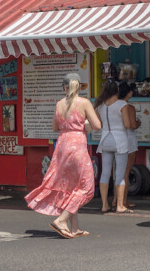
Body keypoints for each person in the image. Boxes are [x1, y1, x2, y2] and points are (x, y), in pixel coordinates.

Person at [25, 73, 101, 238]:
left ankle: (74, 227)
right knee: (87, 188)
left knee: (71, 187)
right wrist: (84, 123)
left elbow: (55, 127)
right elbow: (97, 125)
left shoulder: (59, 103)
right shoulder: (84, 102)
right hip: (77, 146)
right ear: (80, 86)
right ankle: (61, 220)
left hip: (62, 146)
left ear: (64, 87)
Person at [94, 80, 132, 213]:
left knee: (105, 173)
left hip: (105, 140)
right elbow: (127, 125)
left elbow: (100, 125)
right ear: (117, 90)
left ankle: (105, 205)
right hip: (120, 140)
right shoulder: (122, 104)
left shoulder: (100, 106)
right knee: (120, 174)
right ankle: (120, 205)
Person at [116, 82, 140, 210]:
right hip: (128, 139)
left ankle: (116, 200)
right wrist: (138, 123)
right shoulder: (129, 107)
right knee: (126, 171)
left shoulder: (112, 105)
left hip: (115, 139)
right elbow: (132, 125)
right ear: (129, 92)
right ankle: (123, 201)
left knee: (117, 171)